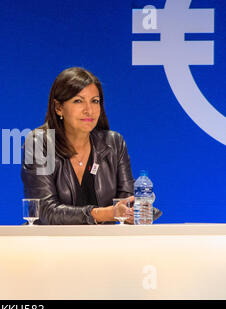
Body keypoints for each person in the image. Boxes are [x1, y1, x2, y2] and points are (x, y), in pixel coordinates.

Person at [21, 67, 162, 224]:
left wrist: (137, 210)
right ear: (58, 107)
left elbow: (125, 202)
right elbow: (45, 211)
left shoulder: (114, 143)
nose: (89, 110)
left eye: (95, 101)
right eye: (78, 101)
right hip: (49, 245)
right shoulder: (39, 143)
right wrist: (102, 214)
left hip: (102, 245)